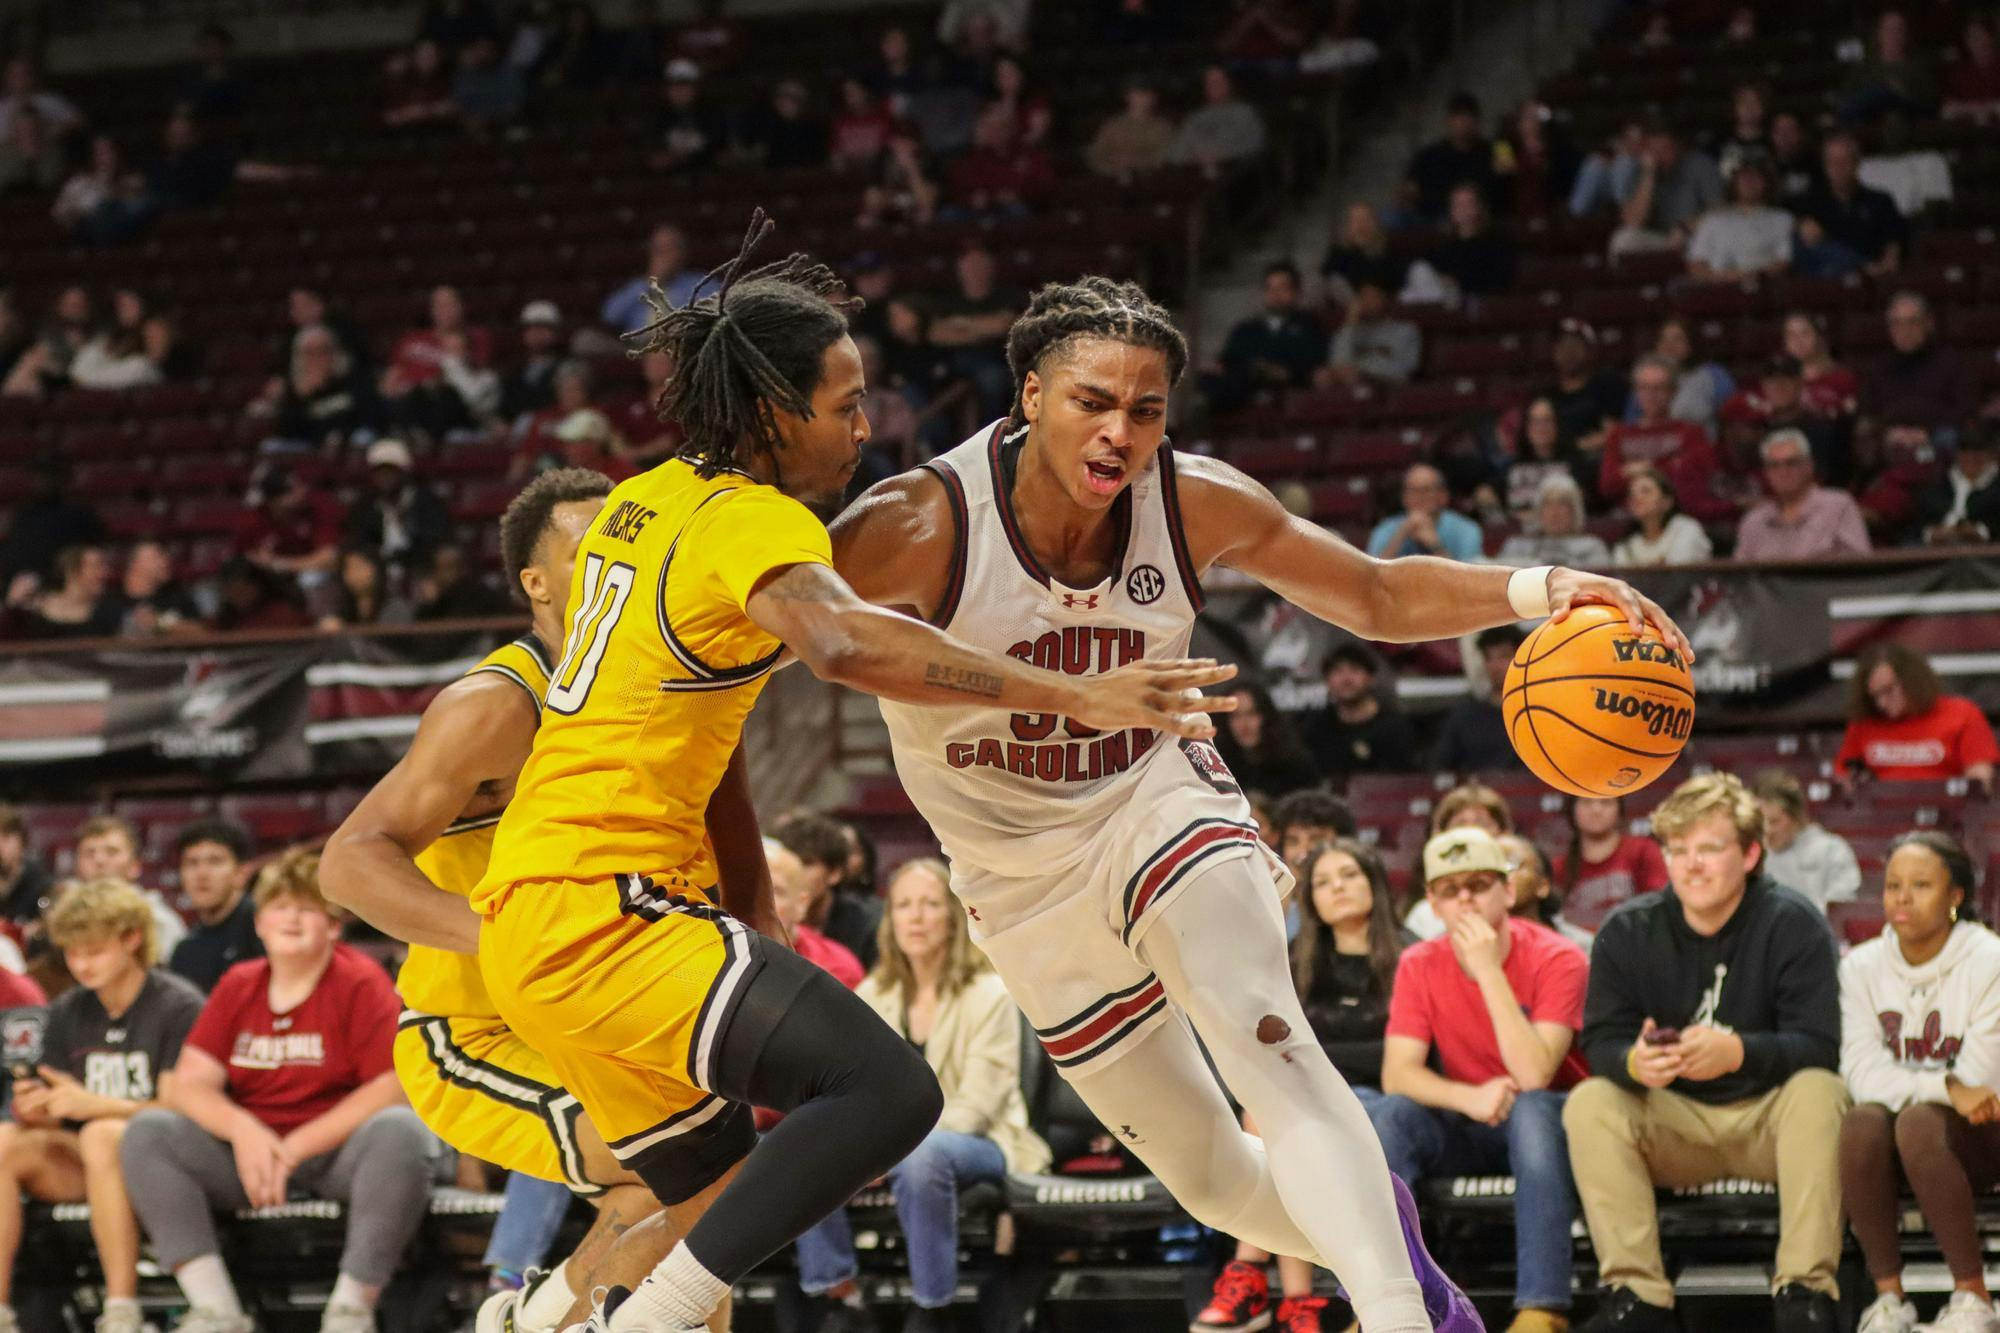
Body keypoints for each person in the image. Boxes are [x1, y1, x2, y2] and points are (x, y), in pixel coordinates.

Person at [833, 268, 1690, 1333]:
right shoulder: (917, 522)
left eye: (1144, 410)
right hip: (1013, 875)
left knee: (1265, 1037)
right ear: (1029, 398)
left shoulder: (1194, 498)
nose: (1119, 431)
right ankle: (1405, 1270)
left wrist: (1538, 588)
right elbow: (822, 644)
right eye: (1093, 401)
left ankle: (1394, 1315)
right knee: (1204, 1173)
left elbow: (1372, 595)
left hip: (1152, 798)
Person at [466, 217, 1234, 1333]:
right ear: (773, 409)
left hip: (537, 922)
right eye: (843, 405)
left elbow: (706, 725)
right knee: (889, 1092)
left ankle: (541, 1319)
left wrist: (752, 906)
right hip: (605, 909)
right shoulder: (752, 517)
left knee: (717, 1203)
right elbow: (844, 645)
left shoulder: (640, 503)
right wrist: (1072, 690)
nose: (866, 429)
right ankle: (637, 1321)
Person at [325, 469, 743, 1333]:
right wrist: (513, 934)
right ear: (537, 582)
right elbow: (350, 861)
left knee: (722, 1197)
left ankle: (528, 1318)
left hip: (602, 1018)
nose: (615, 565)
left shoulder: (653, 680)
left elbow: (725, 798)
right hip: (475, 1033)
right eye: (590, 550)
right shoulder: (495, 705)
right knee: (683, 1177)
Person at [1564, 773, 1847, 1333]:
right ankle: (1638, 1295)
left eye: (1710, 849)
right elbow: (1601, 1043)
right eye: (1678, 850)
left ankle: (1804, 1292)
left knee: (1823, 1093)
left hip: (1768, 1122)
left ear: (1750, 854)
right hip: (1675, 1123)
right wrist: (1633, 1062)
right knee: (1592, 1101)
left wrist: (1738, 1053)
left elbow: (1820, 1046)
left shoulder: (1793, 922)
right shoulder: (1626, 929)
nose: (1691, 865)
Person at [121, 852, 437, 1333]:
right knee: (149, 1131)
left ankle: (351, 1308)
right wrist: (245, 1131)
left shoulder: (359, 982)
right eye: (280, 908)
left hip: (335, 1156)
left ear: (333, 927)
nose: (291, 918)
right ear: (260, 922)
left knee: (402, 1131)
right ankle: (216, 1309)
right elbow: (189, 1085)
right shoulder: (239, 984)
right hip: (249, 1162)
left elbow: (392, 1087)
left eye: (307, 909)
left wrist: (293, 1148)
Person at [795, 860, 1049, 1333]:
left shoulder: (990, 992)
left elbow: (976, 1109)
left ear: (953, 918)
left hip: (983, 1142)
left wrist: (884, 1150)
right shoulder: (874, 993)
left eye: (930, 905)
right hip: (892, 1146)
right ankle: (840, 1295)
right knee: (809, 1142)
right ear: (889, 920)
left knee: (923, 1158)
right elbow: (854, 1095)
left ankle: (933, 1308)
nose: (915, 917)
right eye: (904, 906)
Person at [1370, 828, 1587, 1333]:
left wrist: (1489, 971)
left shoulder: (1560, 957)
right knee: (1392, 1115)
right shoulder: (1418, 962)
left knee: (1531, 1108)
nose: (1464, 897)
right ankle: (1385, 1305)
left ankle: (1543, 1307)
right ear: (1432, 904)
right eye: (1449, 889)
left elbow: (1534, 1073)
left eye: (1479, 883)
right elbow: (1398, 1073)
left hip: (1551, 1125)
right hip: (1471, 1119)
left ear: (1509, 892)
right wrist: (1471, 1097)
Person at [1195, 839, 1413, 1333]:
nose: (1337, 888)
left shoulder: (1412, 954)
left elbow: (1405, 1052)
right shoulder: (1292, 960)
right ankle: (1295, 1300)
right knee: (1267, 1107)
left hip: (1389, 1100)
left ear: (1374, 884)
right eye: (1323, 881)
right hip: (1308, 1098)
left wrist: (1324, 1059)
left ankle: (1256, 1275)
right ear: (1308, 898)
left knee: (1280, 1115)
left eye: (1350, 876)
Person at [0, 880, 200, 1333]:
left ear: (132, 939)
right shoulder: (69, 1010)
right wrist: (38, 1108)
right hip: (89, 1165)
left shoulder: (177, 1006)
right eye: (72, 953)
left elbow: (179, 1108)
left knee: (102, 1134)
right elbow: (57, 1102)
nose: (81, 964)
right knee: (5, 1139)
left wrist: (92, 1104)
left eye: (94, 951)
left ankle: (121, 1309)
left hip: (168, 1163)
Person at [1840, 833, 2000, 1333]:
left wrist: (1950, 1093)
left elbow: (1983, 1081)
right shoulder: (1859, 967)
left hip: (1983, 1136)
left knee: (1915, 1122)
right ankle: (1889, 1300)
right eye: (1892, 886)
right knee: (1861, 1122)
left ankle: (1972, 1296)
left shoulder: (1989, 959)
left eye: (1921, 885)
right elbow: (1861, 1076)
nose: (1902, 898)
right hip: (1909, 1133)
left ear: (1956, 897)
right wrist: (1946, 1089)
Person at [1837, 644, 1998, 794]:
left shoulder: (1961, 714)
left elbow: (1980, 781)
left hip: (1946, 814)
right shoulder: (1864, 722)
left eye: (1888, 690)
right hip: (1879, 817)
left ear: (1912, 681)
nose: (1881, 703)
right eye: (1875, 696)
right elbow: (1843, 779)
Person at [1596, 355, 1729, 522]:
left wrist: (1636, 469)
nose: (1650, 395)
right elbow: (1608, 485)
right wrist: (1668, 464)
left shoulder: (1691, 433)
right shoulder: (1619, 434)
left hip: (1678, 518)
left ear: (1673, 391)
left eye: (1658, 388)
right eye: (1643, 388)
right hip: (1629, 519)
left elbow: (1690, 482)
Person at [1734, 429, 1871, 562]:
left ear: (1809, 466)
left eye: (1791, 463)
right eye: (1774, 465)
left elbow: (1860, 565)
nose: (1783, 472)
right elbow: (1739, 577)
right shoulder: (1753, 521)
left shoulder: (1838, 506)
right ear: (1766, 473)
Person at [1208, 262, 1328, 412]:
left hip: (1288, 391)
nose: (1275, 294)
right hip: (1241, 391)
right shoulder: (1245, 329)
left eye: (1282, 288)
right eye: (1270, 288)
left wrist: (1282, 372)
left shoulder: (1309, 326)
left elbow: (1315, 366)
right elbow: (1226, 361)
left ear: (1297, 292)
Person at [769, 812, 879, 974]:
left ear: (835, 872)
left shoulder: (869, 928)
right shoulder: (765, 918)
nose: (795, 872)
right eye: (790, 861)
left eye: (807, 863)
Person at [167, 821, 262, 993]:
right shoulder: (184, 950)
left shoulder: (264, 928)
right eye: (191, 863)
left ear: (242, 873)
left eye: (215, 862)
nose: (201, 874)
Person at [74, 816, 187, 960]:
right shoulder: (62, 921)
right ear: (77, 866)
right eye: (89, 853)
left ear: (135, 866)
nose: (99, 860)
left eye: (112, 852)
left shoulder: (159, 921)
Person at [1795, 133, 1907, 278]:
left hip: (1871, 279)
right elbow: (1810, 243)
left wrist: (1887, 263)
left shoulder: (1880, 201)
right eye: (1832, 162)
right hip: (1828, 279)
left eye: (1844, 161)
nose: (1838, 168)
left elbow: (1893, 244)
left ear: (1856, 163)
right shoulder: (1810, 202)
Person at [1554, 797, 1667, 937]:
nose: (1596, 810)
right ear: (1572, 810)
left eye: (1606, 802)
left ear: (1619, 810)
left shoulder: (1643, 852)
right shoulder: (1558, 867)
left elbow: (1660, 908)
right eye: (1586, 802)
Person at [1302, 643, 1419, 778]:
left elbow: (1403, 781)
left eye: (1355, 670)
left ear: (1371, 678)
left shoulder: (1394, 727)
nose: (1346, 679)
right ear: (1327, 681)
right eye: (1337, 671)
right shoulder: (1317, 727)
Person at [1751, 772, 1860, 914]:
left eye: (1774, 822)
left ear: (1797, 817)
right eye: (1760, 822)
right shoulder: (1753, 857)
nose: (1767, 831)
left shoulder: (1833, 850)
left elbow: (1841, 906)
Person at [765, 838, 860, 990]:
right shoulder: (718, 954)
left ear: (802, 904)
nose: (760, 902)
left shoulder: (838, 968)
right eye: (750, 890)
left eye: (776, 891)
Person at [1434, 626, 1526, 775]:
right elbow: (1442, 768)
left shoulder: (1535, 714)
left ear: (1521, 657)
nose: (1495, 666)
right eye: (1489, 658)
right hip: (1478, 795)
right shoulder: (1464, 716)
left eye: (1503, 656)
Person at [1685, 157, 1791, 281]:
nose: (1749, 182)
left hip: (1761, 287)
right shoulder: (1712, 219)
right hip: (1717, 287)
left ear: (1767, 183)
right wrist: (1723, 278)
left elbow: (1784, 263)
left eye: (1756, 177)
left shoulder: (1782, 219)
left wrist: (1752, 277)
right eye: (1744, 177)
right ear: (1734, 182)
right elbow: (1696, 264)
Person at [1401, 92, 1496, 226]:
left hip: (1480, 218)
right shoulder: (1428, 155)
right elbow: (1408, 189)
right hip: (1432, 219)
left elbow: (1510, 181)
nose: (1464, 123)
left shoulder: (1498, 148)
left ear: (1478, 121)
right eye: (1458, 117)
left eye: (1469, 117)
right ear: (1448, 121)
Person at [1533, 319, 1625, 455]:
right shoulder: (1546, 395)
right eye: (1562, 345)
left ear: (1589, 349)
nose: (1568, 351)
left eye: (1575, 345)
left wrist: (1578, 446)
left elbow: (1613, 435)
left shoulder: (1607, 384)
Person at [1216, 680, 1321, 798]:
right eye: (1235, 716)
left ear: (1266, 716)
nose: (1244, 724)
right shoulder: (1218, 768)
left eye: (1251, 713)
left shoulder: (1295, 764)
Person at [1318, 278, 1420, 388]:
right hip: (1351, 381)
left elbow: (1405, 369)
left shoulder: (1405, 330)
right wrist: (1350, 323)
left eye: (1373, 297)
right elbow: (1337, 363)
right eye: (1364, 297)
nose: (1368, 302)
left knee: (1352, 376)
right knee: (1322, 376)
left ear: (1385, 299)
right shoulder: (1347, 331)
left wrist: (1366, 374)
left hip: (1385, 383)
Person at [1368, 464, 1482, 561]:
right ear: (1403, 497)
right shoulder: (1386, 529)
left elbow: (1466, 582)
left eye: (1426, 490)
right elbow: (1373, 578)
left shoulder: (1467, 530)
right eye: (1412, 490)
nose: (1418, 497)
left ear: (1443, 496)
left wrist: (1435, 545)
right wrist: (1401, 534)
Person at [1498, 475, 1610, 568]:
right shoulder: (1516, 546)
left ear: (1575, 511)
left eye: (1562, 504)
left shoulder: (1593, 548)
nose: (1554, 512)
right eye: (1548, 504)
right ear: (1539, 511)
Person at [1611, 465, 1713, 567]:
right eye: (1631, 493)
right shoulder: (1626, 543)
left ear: (1666, 502)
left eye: (1646, 491)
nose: (1636, 497)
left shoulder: (1687, 529)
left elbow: (1679, 572)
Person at [1919, 420, 2000, 545]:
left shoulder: (1996, 487)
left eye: (1977, 453)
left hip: (1987, 556)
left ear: (1990, 455)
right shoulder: (1939, 484)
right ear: (1956, 455)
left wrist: (1980, 532)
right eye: (1965, 453)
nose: (1971, 458)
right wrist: (1931, 534)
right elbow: (1918, 523)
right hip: (1934, 554)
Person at [1085, 80, 1175, 182]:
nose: (1142, 98)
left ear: (1153, 98)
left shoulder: (1163, 127)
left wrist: (1135, 162)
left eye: (1146, 94)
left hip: (1150, 182)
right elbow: (1095, 154)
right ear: (1127, 97)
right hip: (1111, 181)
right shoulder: (1112, 125)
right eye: (1137, 93)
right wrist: (1113, 167)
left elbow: (1166, 157)